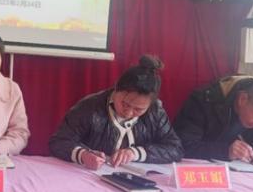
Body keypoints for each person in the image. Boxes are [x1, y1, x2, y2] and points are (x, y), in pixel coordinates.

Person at [49, 55, 182, 170]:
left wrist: (135, 153)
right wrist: (83, 155)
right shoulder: (90, 107)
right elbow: (59, 141)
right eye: (125, 104)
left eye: (138, 109)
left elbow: (175, 149)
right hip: (90, 176)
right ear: (116, 88)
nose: (128, 113)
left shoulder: (155, 112)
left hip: (135, 177)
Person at [173, 76, 253, 165]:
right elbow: (181, 146)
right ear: (242, 99)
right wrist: (225, 151)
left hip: (249, 177)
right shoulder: (205, 101)